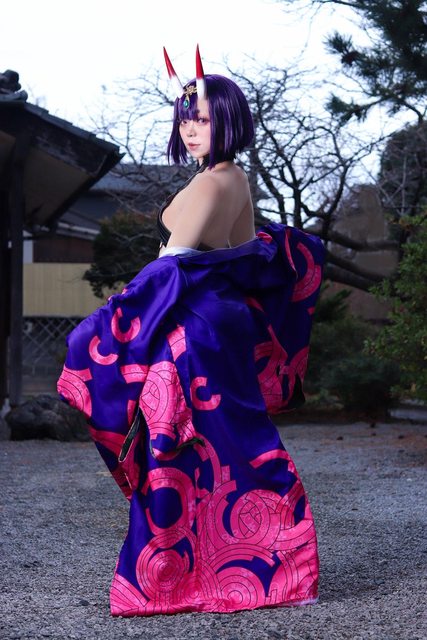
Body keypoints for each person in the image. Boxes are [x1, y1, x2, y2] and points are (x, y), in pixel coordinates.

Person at [57, 46, 325, 617]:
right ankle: (266, 568)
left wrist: (104, 326)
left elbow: (172, 264)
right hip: (217, 320)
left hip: (193, 325)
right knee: (233, 443)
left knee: (176, 447)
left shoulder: (209, 184)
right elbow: (235, 254)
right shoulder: (233, 177)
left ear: (228, 120)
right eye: (185, 118)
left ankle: (177, 579)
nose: (191, 127)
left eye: (202, 117)